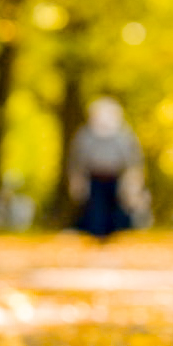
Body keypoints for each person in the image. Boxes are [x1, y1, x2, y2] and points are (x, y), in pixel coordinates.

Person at [68, 97, 144, 240]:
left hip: (116, 178)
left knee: (115, 210)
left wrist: (133, 182)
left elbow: (133, 160)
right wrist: (77, 180)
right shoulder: (85, 135)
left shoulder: (124, 136)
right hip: (94, 179)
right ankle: (97, 237)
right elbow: (77, 160)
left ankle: (112, 237)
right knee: (95, 211)